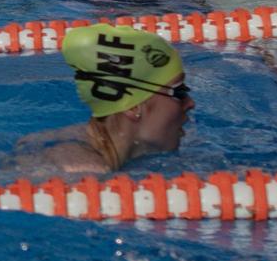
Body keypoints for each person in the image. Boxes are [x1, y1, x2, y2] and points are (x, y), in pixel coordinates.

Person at [13, 24, 192, 174]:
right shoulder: (82, 169)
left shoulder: (86, 138)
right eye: (179, 93)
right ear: (133, 107)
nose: (190, 103)